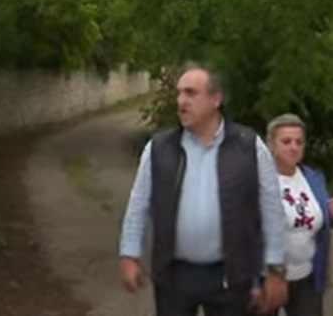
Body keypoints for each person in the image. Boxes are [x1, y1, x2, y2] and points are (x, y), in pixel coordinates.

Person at [118, 64, 288, 315]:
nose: (181, 101)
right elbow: (139, 203)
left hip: (230, 275)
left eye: (191, 93)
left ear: (215, 99)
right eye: (179, 93)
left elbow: (271, 208)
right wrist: (129, 253)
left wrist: (275, 269)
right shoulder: (159, 149)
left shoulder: (248, 146)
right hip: (175, 274)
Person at [264, 113, 333, 316]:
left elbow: (317, 219)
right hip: (267, 279)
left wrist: (331, 214)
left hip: (307, 277)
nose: (293, 147)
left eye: (299, 142)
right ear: (271, 145)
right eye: (286, 141)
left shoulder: (313, 178)